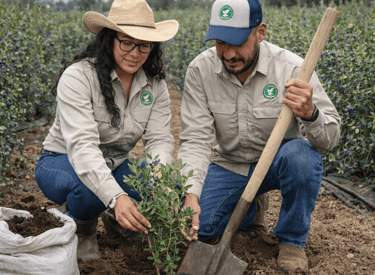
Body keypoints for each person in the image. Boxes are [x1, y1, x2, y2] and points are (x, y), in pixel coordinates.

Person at [178, 0, 341, 271]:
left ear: (260, 32)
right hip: (230, 164)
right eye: (220, 42)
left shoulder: (291, 68)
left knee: (302, 157)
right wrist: (191, 194)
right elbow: (195, 138)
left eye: (237, 42)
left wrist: (311, 113)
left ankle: (291, 240)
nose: (228, 54)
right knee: (200, 229)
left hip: (278, 162)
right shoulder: (201, 70)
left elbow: (330, 139)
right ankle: (252, 210)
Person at [34, 0, 179, 261]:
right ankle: (83, 228)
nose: (135, 53)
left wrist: (162, 182)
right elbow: (82, 147)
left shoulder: (155, 86)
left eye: (144, 44)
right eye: (127, 42)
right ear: (109, 39)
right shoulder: (79, 77)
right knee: (89, 190)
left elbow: (158, 140)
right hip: (62, 161)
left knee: (172, 186)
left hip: (115, 164)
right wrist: (117, 196)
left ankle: (117, 219)